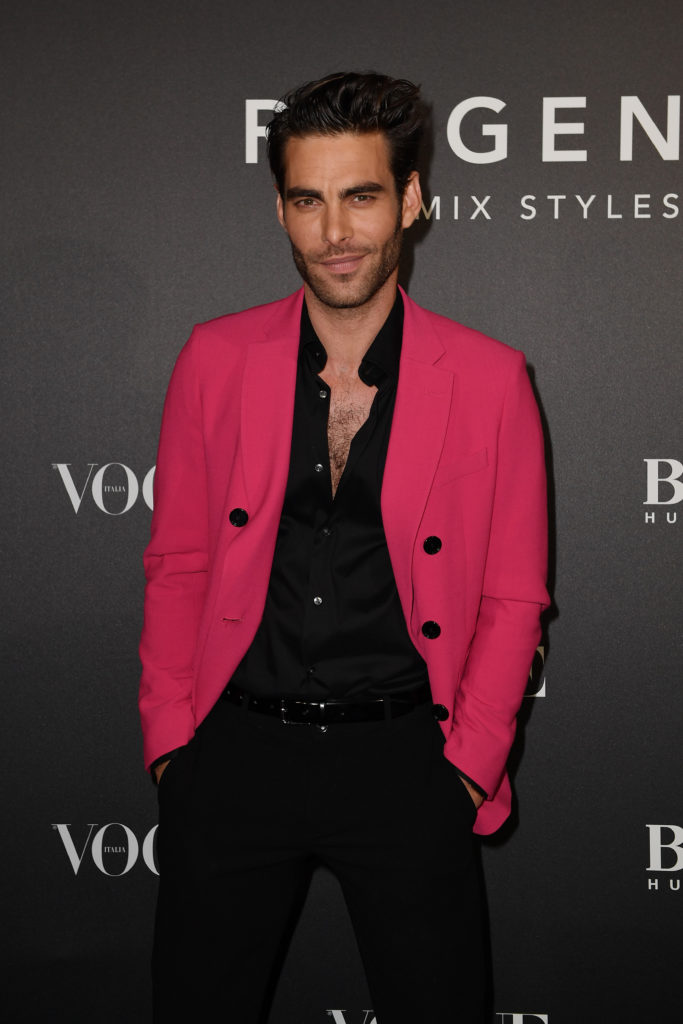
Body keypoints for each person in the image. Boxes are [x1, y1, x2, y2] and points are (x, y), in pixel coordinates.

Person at [139, 71, 549, 1024]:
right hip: (233, 754)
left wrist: (466, 767)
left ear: (410, 199)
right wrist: (171, 745)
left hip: (408, 761)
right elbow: (179, 562)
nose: (334, 232)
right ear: (279, 209)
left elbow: (513, 596)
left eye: (360, 196)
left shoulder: (490, 378)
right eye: (307, 200)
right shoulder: (214, 358)